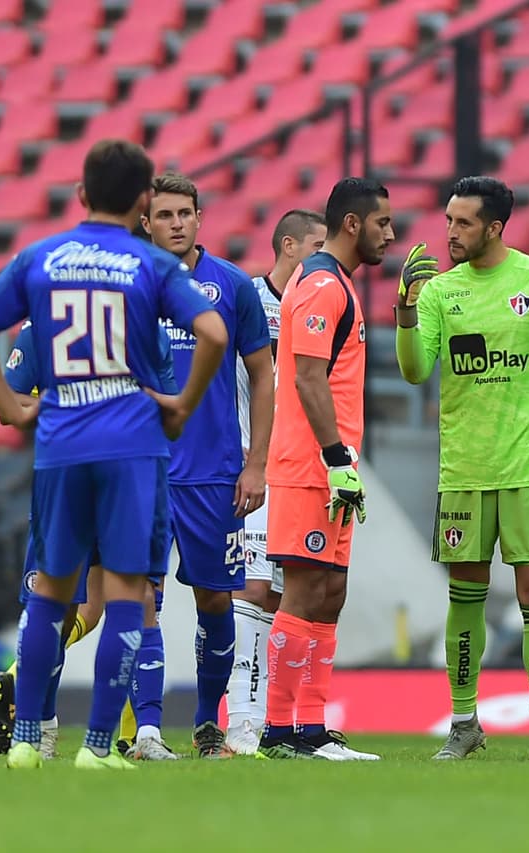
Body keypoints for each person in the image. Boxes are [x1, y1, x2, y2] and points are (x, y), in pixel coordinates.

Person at [0, 139, 227, 770]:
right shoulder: (152, 266)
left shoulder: (39, 257)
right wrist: (181, 402)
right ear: (141, 204)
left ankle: (26, 742)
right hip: (132, 445)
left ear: (81, 195)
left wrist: (10, 405)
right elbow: (212, 331)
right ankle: (98, 748)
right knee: (128, 590)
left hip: (60, 442)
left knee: (51, 592)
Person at [395, 175, 529, 760]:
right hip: (464, 471)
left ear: (494, 227)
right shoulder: (439, 292)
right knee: (465, 594)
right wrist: (407, 312)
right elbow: (413, 371)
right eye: (448, 220)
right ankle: (464, 724)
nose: (450, 232)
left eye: (463, 222)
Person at [0, 319, 178, 760]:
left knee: (60, 603)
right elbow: (172, 409)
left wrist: (51, 415)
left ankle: (37, 736)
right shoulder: (141, 322)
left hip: (64, 476)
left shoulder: (46, 315)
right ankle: (109, 743)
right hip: (127, 480)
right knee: (130, 600)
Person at [259, 178, 392, 760]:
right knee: (305, 587)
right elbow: (308, 377)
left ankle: (312, 729)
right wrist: (336, 458)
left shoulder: (339, 284)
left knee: (329, 590)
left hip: (333, 466)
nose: (391, 233)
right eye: (383, 222)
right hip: (310, 464)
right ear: (354, 225)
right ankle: (279, 729)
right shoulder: (320, 285)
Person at [142, 172, 273, 759]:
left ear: (199, 218)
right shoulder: (131, 284)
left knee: (216, 600)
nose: (175, 223)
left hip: (214, 474)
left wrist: (256, 463)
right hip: (142, 469)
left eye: (184, 213)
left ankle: (204, 724)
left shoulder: (232, 287)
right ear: (145, 221)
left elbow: (263, 375)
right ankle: (146, 730)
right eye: (163, 214)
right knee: (140, 598)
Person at [226, 208, 327, 756]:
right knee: (255, 589)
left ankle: (276, 721)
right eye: (315, 246)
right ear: (289, 246)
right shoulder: (249, 299)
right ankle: (242, 719)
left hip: (307, 468)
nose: (322, 258)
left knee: (292, 594)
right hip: (262, 462)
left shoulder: (320, 301)